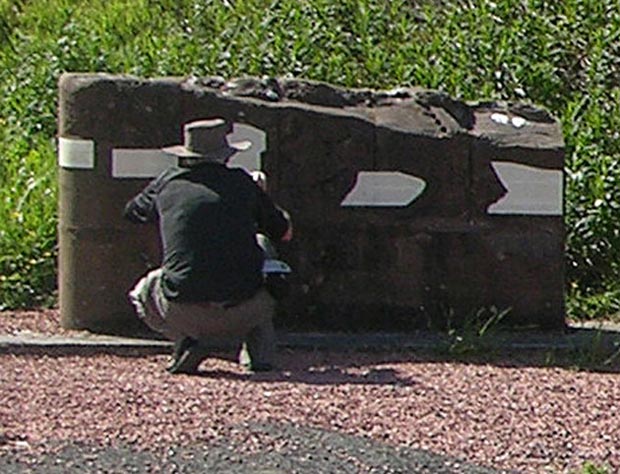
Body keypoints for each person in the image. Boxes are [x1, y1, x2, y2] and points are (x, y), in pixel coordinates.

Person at [124, 118, 292, 374]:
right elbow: (284, 232)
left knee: (143, 291)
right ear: (226, 155)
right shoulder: (242, 183)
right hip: (245, 309)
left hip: (181, 308)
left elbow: (133, 213)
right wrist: (260, 195)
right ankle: (259, 354)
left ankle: (186, 340)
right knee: (264, 251)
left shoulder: (168, 183)